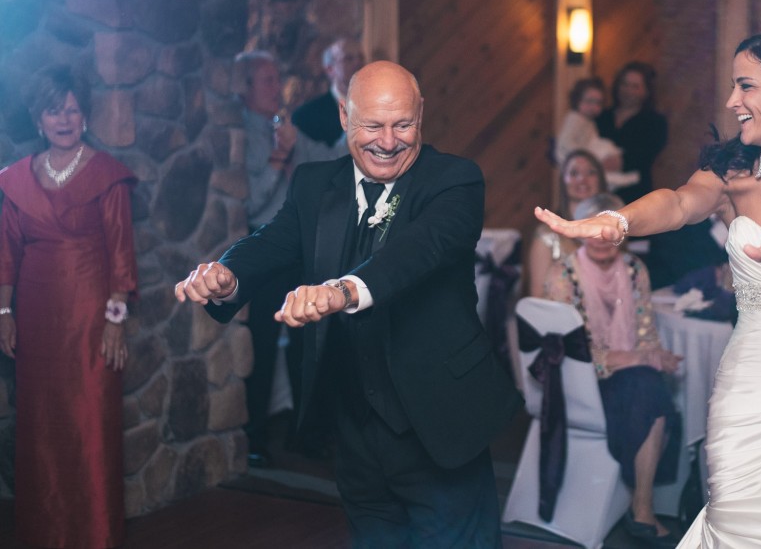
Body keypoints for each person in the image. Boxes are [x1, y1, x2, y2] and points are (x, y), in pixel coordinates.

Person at [537, 30, 761, 546]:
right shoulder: (729, 175)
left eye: (745, 87)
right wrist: (618, 220)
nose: (731, 102)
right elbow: (677, 204)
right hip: (747, 388)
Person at [175, 60, 522, 548]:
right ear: (344, 117)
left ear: (421, 114)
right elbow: (273, 241)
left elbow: (413, 254)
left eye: (402, 124)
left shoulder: (455, 181)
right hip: (355, 434)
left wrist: (339, 291)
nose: (387, 141)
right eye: (372, 125)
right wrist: (228, 274)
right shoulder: (316, 183)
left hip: (440, 426)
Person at [0, 65, 138, 548]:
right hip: (37, 322)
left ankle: (97, 538)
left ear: (85, 115)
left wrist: (115, 322)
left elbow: (123, 255)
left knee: (91, 428)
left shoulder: (107, 175)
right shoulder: (15, 180)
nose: (65, 118)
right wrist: (4, 313)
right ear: (39, 118)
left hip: (91, 322)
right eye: (55, 110)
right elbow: (5, 253)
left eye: (74, 109)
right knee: (41, 430)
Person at [545, 192, 682, 547]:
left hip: (631, 378)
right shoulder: (563, 275)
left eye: (610, 232)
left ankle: (641, 506)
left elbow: (646, 333)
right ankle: (643, 508)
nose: (603, 239)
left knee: (648, 387)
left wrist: (654, 354)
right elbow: (576, 355)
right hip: (580, 384)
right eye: (595, 231)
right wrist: (641, 358)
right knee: (648, 387)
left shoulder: (636, 270)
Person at [234, 50, 336, 467]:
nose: (278, 88)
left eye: (278, 78)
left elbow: (327, 162)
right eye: (268, 80)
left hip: (298, 246)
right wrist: (280, 158)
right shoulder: (240, 133)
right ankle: (255, 436)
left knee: (307, 338)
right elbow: (254, 200)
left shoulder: (285, 126)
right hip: (262, 246)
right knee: (260, 340)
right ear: (246, 89)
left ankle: (305, 434)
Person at [527, 149, 607, 297]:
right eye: (574, 173)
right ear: (563, 180)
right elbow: (537, 297)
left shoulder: (611, 229)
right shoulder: (546, 235)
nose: (582, 179)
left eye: (590, 172)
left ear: (600, 180)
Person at [596, 61, 667, 204]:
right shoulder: (602, 117)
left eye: (635, 86)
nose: (628, 90)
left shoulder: (655, 121)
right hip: (599, 189)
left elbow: (647, 153)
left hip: (634, 194)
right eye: (624, 84)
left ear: (646, 91)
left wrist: (622, 162)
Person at [555, 77, 639, 192]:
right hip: (576, 159)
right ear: (577, 100)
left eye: (598, 103)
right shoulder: (575, 118)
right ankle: (620, 179)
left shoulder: (589, 121)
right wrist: (586, 158)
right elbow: (566, 142)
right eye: (589, 101)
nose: (593, 107)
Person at [291, 36, 365, 152]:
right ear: (330, 69)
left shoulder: (378, 108)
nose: (358, 63)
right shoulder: (307, 116)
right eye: (348, 58)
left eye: (361, 57)